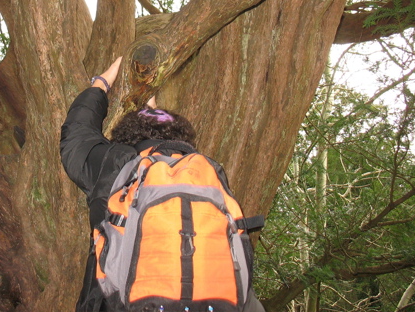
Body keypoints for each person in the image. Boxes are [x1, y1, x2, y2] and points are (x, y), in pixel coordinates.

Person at [60, 57, 264, 312]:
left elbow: (77, 139)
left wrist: (99, 86)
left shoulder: (120, 163)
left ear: (126, 135)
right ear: (181, 135)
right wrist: (156, 115)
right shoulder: (207, 170)